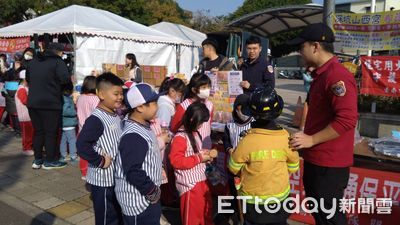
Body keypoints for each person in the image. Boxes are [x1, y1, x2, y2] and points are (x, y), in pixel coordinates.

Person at [287, 23, 358, 225]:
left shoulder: (337, 76)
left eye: (302, 47)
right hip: (317, 159)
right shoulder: (321, 75)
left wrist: (311, 139)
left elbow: (347, 119)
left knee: (330, 218)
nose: (300, 52)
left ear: (315, 46)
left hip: (328, 164)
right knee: (321, 216)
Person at [228, 87, 300, 225]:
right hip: (280, 203)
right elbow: (293, 166)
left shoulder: (247, 141)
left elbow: (233, 167)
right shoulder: (285, 137)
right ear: (278, 112)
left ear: (252, 112)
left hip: (253, 206)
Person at [76, 73, 124, 225]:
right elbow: (81, 145)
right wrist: (100, 160)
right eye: (115, 94)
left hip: (116, 178)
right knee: (106, 218)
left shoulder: (115, 115)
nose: (120, 97)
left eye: (121, 93)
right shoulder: (96, 119)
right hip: (102, 180)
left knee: (116, 214)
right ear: (101, 94)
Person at [114, 83, 163, 224]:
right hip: (138, 202)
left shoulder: (143, 125)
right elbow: (132, 170)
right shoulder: (133, 135)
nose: (157, 106)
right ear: (140, 107)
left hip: (146, 198)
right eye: (153, 103)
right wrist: (152, 191)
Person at [27, 42, 71, 169]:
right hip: (50, 103)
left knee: (38, 131)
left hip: (33, 102)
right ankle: (50, 160)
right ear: (57, 52)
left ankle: (38, 159)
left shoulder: (34, 61)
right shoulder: (57, 62)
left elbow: (29, 79)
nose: (63, 54)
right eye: (62, 52)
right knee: (50, 133)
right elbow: (65, 79)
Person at [169, 102, 213, 225]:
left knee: (205, 213)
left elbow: (193, 151)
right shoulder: (180, 137)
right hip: (189, 184)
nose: (200, 126)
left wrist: (204, 154)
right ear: (192, 119)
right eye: (200, 123)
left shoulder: (194, 133)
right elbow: (176, 161)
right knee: (192, 218)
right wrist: (199, 158)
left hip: (201, 180)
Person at [170, 73, 213, 149]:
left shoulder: (210, 105)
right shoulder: (184, 106)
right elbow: (174, 127)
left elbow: (209, 123)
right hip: (190, 146)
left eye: (209, 87)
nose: (207, 90)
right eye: (204, 87)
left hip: (205, 145)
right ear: (194, 89)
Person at [76, 75, 100, 179]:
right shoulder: (95, 99)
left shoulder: (80, 97)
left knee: (83, 152)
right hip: (92, 130)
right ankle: (90, 172)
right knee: (92, 152)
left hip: (81, 128)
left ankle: (84, 172)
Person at [15, 70, 34, 156]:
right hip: (24, 116)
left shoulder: (26, 88)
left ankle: (29, 146)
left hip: (28, 115)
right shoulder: (21, 89)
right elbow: (25, 101)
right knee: (27, 134)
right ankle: (26, 148)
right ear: (24, 79)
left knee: (30, 133)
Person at [60, 82, 78, 163]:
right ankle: (73, 156)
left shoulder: (61, 98)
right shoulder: (67, 99)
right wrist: (75, 113)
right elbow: (66, 111)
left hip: (63, 123)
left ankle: (63, 155)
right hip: (69, 124)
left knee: (63, 140)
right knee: (72, 140)